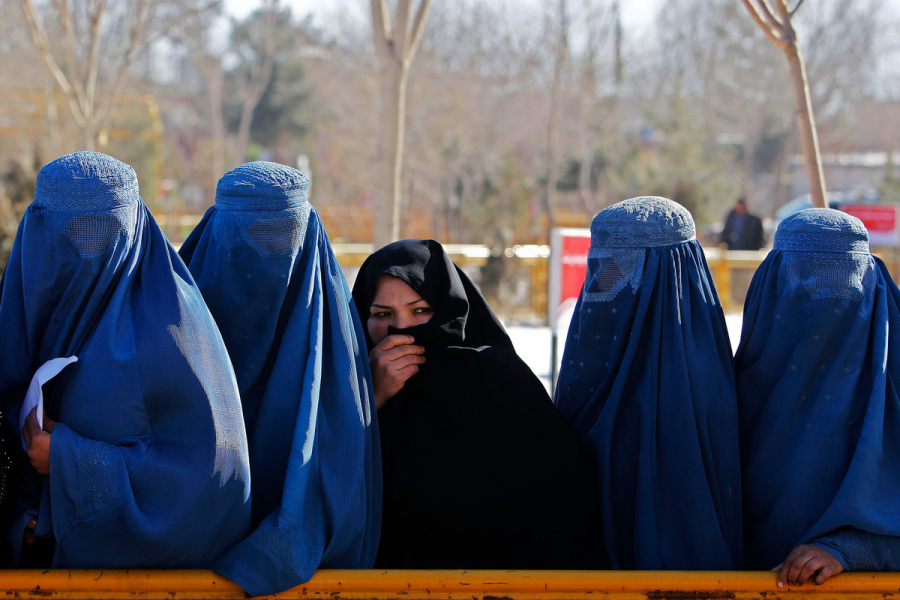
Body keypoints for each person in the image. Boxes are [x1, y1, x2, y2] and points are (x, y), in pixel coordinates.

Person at [0, 152, 251, 567]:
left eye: (103, 233)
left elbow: (215, 484)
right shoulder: (19, 312)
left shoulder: (175, 333)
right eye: (68, 234)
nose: (84, 252)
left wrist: (67, 461)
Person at [179, 162, 380, 595]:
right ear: (216, 232)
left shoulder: (333, 343)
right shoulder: (170, 330)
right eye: (245, 237)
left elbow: (338, 486)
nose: (261, 256)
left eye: (278, 239)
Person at [351, 239, 605, 569]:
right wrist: (371, 396)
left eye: (421, 310)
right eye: (382, 314)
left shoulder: (499, 380)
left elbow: (558, 503)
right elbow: (327, 481)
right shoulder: (350, 385)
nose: (402, 328)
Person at [555, 196, 743, 570]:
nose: (605, 284)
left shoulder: (704, 383)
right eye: (602, 270)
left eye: (621, 268)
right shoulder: (590, 367)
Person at [736, 208, 900, 585]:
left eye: (841, 284)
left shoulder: (891, 394)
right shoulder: (721, 393)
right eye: (802, 280)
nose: (820, 300)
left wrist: (856, 550)